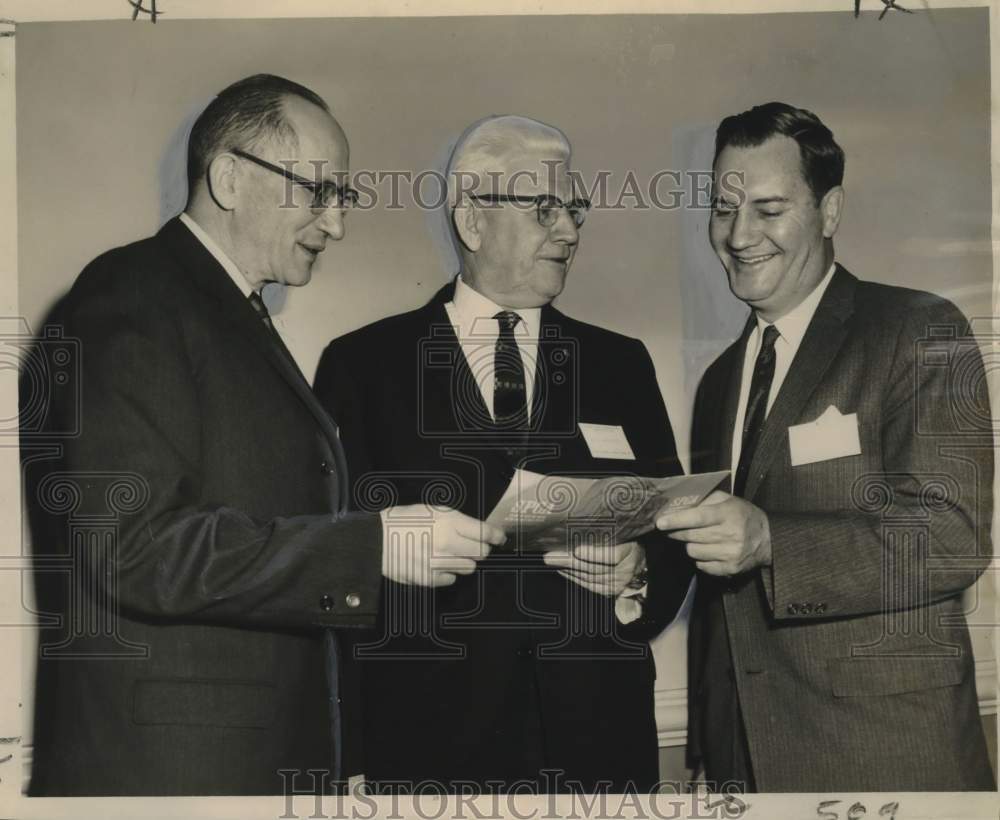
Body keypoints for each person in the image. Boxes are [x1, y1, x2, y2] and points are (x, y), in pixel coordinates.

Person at [25, 73, 502, 797]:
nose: (336, 224)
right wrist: (376, 544)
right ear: (228, 178)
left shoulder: (227, 311)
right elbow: (130, 547)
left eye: (343, 199)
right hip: (172, 778)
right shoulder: (132, 296)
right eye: (319, 194)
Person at [314, 115, 693, 794]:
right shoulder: (363, 366)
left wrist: (638, 575)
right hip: (430, 747)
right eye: (545, 208)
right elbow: (332, 550)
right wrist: (351, 752)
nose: (571, 231)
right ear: (472, 220)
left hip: (600, 743)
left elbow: (672, 532)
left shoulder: (620, 364)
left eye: (574, 209)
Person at [656, 102, 994, 791]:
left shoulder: (920, 327)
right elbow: (720, 589)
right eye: (723, 210)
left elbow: (953, 537)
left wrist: (772, 541)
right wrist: (708, 748)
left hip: (885, 762)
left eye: (770, 209)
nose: (740, 235)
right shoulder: (722, 379)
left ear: (829, 211)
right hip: (742, 768)